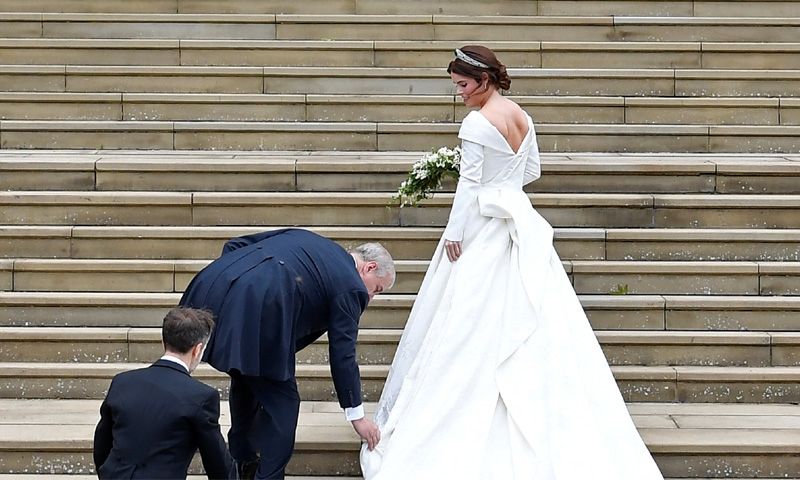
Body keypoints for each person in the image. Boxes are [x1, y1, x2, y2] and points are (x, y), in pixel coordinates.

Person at [360, 46, 665, 479]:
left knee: (465, 324)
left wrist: (455, 233)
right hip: (517, 223)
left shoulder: (476, 122)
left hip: (484, 227)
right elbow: (531, 172)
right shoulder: (521, 115)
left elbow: (468, 187)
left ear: (483, 81)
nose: (460, 94)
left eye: (463, 86)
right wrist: (501, 184)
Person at [179, 228, 395, 480]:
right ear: (368, 268)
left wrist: (238, 287)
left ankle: (242, 464)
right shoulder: (352, 287)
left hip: (211, 286)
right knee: (284, 404)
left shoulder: (307, 238)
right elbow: (343, 354)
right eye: (377, 289)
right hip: (257, 312)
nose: (371, 297)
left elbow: (235, 245)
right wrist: (357, 416)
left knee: (247, 378)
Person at [93, 307, 236, 480]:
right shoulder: (201, 396)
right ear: (198, 349)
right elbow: (218, 463)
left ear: (163, 341)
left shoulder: (122, 382)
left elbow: (102, 443)